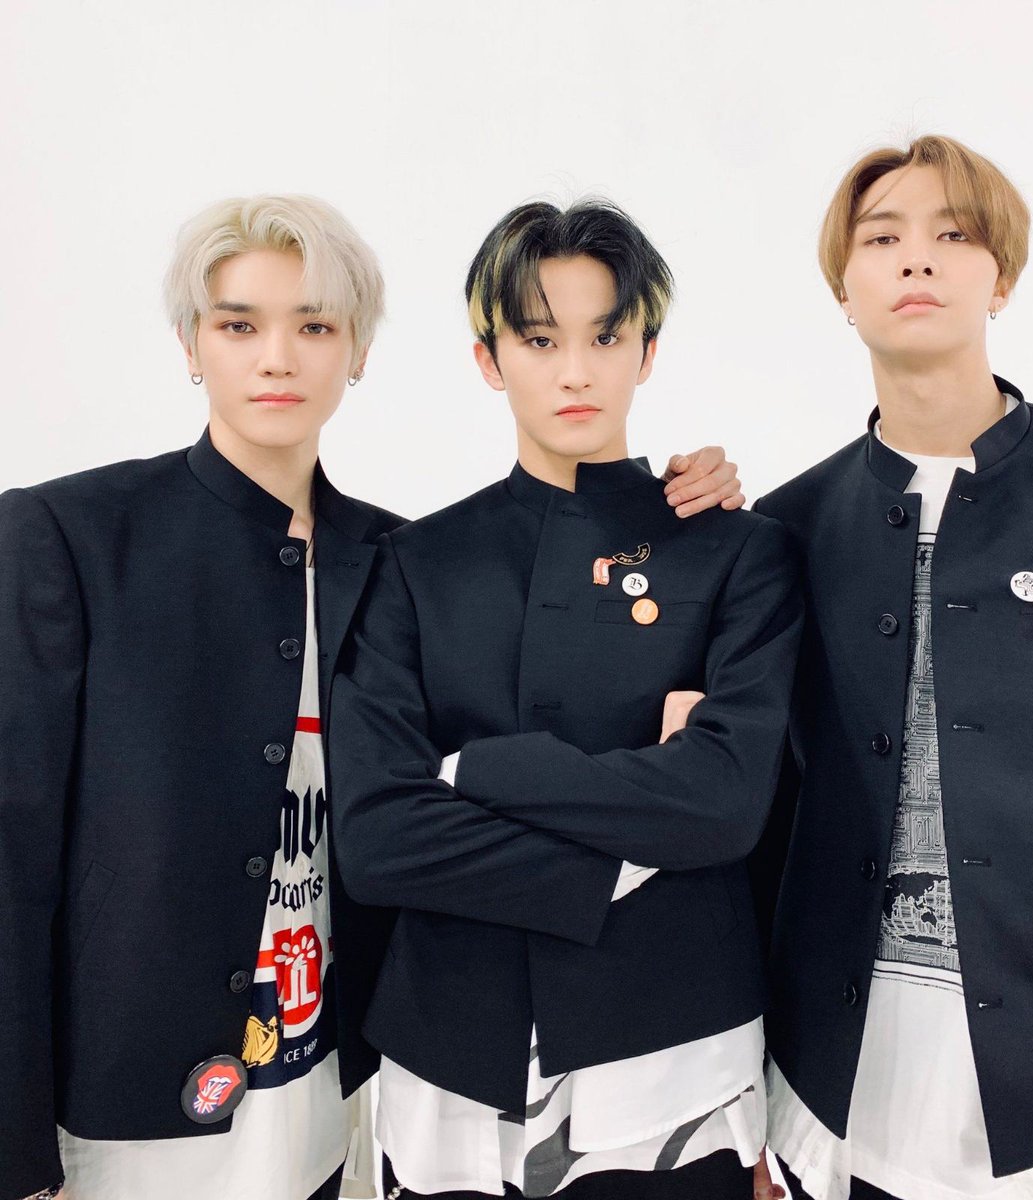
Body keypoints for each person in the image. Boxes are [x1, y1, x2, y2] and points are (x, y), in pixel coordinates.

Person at [0, 194, 738, 1200]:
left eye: (314, 327)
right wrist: (15, 1155)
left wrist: (675, 513)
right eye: (239, 325)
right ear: (190, 345)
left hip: (336, 1101)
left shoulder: (396, 557)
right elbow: (13, 860)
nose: (277, 359)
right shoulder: (71, 537)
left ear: (356, 352)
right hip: (126, 1117)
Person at [753, 135, 1033, 1200]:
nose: (917, 258)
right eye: (882, 239)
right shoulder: (786, 525)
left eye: (953, 234)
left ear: (1000, 277)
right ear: (843, 291)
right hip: (841, 1085)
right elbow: (770, 825)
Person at [329, 198, 802, 1199]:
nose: (576, 372)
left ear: (648, 351)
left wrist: (476, 772)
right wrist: (639, 837)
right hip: (451, 1050)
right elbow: (376, 841)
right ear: (490, 360)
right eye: (541, 341)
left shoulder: (739, 553)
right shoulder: (416, 565)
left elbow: (724, 804)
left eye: (606, 337)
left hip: (672, 1053)